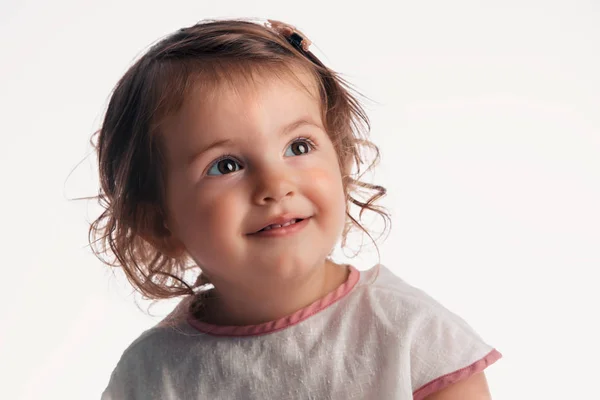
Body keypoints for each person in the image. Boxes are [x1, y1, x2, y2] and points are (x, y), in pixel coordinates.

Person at [93, 17, 502, 399]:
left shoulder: (413, 336)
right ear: (158, 221)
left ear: (340, 160)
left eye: (298, 147)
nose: (275, 185)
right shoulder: (151, 374)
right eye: (226, 165)